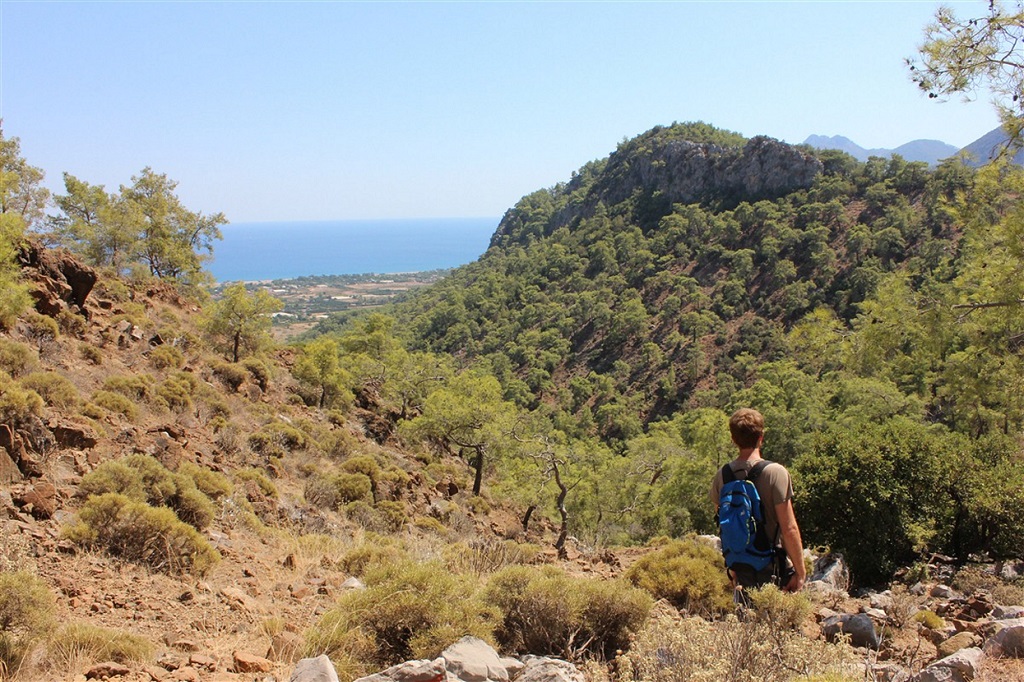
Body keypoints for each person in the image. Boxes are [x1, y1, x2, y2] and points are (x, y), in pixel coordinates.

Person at [710, 408, 806, 593]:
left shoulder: (722, 476)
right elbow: (789, 528)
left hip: (740, 567)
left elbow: (723, 525)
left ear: (733, 439)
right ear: (761, 437)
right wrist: (800, 572)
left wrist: (733, 564)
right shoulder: (776, 473)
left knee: (745, 618)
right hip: (772, 568)